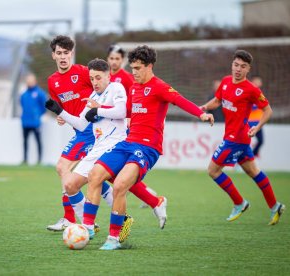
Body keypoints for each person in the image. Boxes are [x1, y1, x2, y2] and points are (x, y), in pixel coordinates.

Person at [81, 45, 214, 250]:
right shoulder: (134, 88)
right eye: (132, 68)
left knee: (119, 186)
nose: (134, 72)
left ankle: (114, 239)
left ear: (149, 66)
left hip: (147, 148)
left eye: (138, 68)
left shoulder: (159, 86)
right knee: (95, 174)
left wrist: (201, 114)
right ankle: (87, 227)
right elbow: (126, 110)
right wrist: (99, 110)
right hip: (127, 142)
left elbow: (180, 100)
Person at [45, 58, 168, 242]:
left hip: (116, 144)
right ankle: (151, 203)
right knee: (70, 185)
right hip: (98, 146)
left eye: (98, 78)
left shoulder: (116, 89)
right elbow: (80, 123)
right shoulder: (93, 98)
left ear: (108, 76)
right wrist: (60, 111)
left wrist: (99, 110)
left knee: (114, 182)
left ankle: (96, 225)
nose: (94, 82)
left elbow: (121, 112)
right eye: (92, 78)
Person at [201, 50, 285, 226]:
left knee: (213, 170)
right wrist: (203, 108)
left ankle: (239, 203)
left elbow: (268, 110)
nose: (238, 69)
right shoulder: (224, 82)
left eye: (243, 66)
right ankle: (275, 206)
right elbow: (217, 101)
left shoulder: (251, 89)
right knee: (253, 172)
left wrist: (258, 126)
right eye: (236, 65)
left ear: (248, 69)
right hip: (237, 138)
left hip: (236, 139)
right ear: (232, 65)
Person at [45, 35, 116, 232]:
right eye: (59, 53)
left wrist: (105, 107)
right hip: (79, 131)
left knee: (63, 168)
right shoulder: (53, 81)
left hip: (92, 131)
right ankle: (94, 217)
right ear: (53, 56)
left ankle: (75, 217)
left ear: (71, 54)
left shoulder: (83, 72)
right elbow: (62, 106)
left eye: (66, 53)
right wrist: (61, 116)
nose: (63, 57)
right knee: (95, 176)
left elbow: (104, 87)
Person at [107, 44, 158, 208]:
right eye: (111, 58)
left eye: (117, 59)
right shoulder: (105, 76)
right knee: (111, 171)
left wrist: (130, 118)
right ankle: (148, 196)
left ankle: (146, 197)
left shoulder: (129, 77)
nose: (114, 62)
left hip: (124, 129)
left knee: (115, 171)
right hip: (107, 127)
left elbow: (132, 105)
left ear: (122, 61)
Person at [20, 73, 47, 164]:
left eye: (31, 81)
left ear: (34, 81)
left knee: (38, 141)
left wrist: (37, 114)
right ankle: (25, 159)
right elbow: (22, 105)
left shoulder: (40, 93)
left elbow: (44, 106)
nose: (29, 83)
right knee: (25, 141)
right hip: (25, 122)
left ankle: (39, 160)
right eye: (28, 81)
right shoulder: (24, 94)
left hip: (35, 122)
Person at [249, 76, 265, 157]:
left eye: (259, 81)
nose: (258, 83)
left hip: (258, 123)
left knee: (261, 141)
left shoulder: (261, 94)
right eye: (256, 81)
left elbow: (265, 106)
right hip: (250, 123)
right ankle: (240, 160)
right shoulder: (250, 93)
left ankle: (252, 157)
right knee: (245, 142)